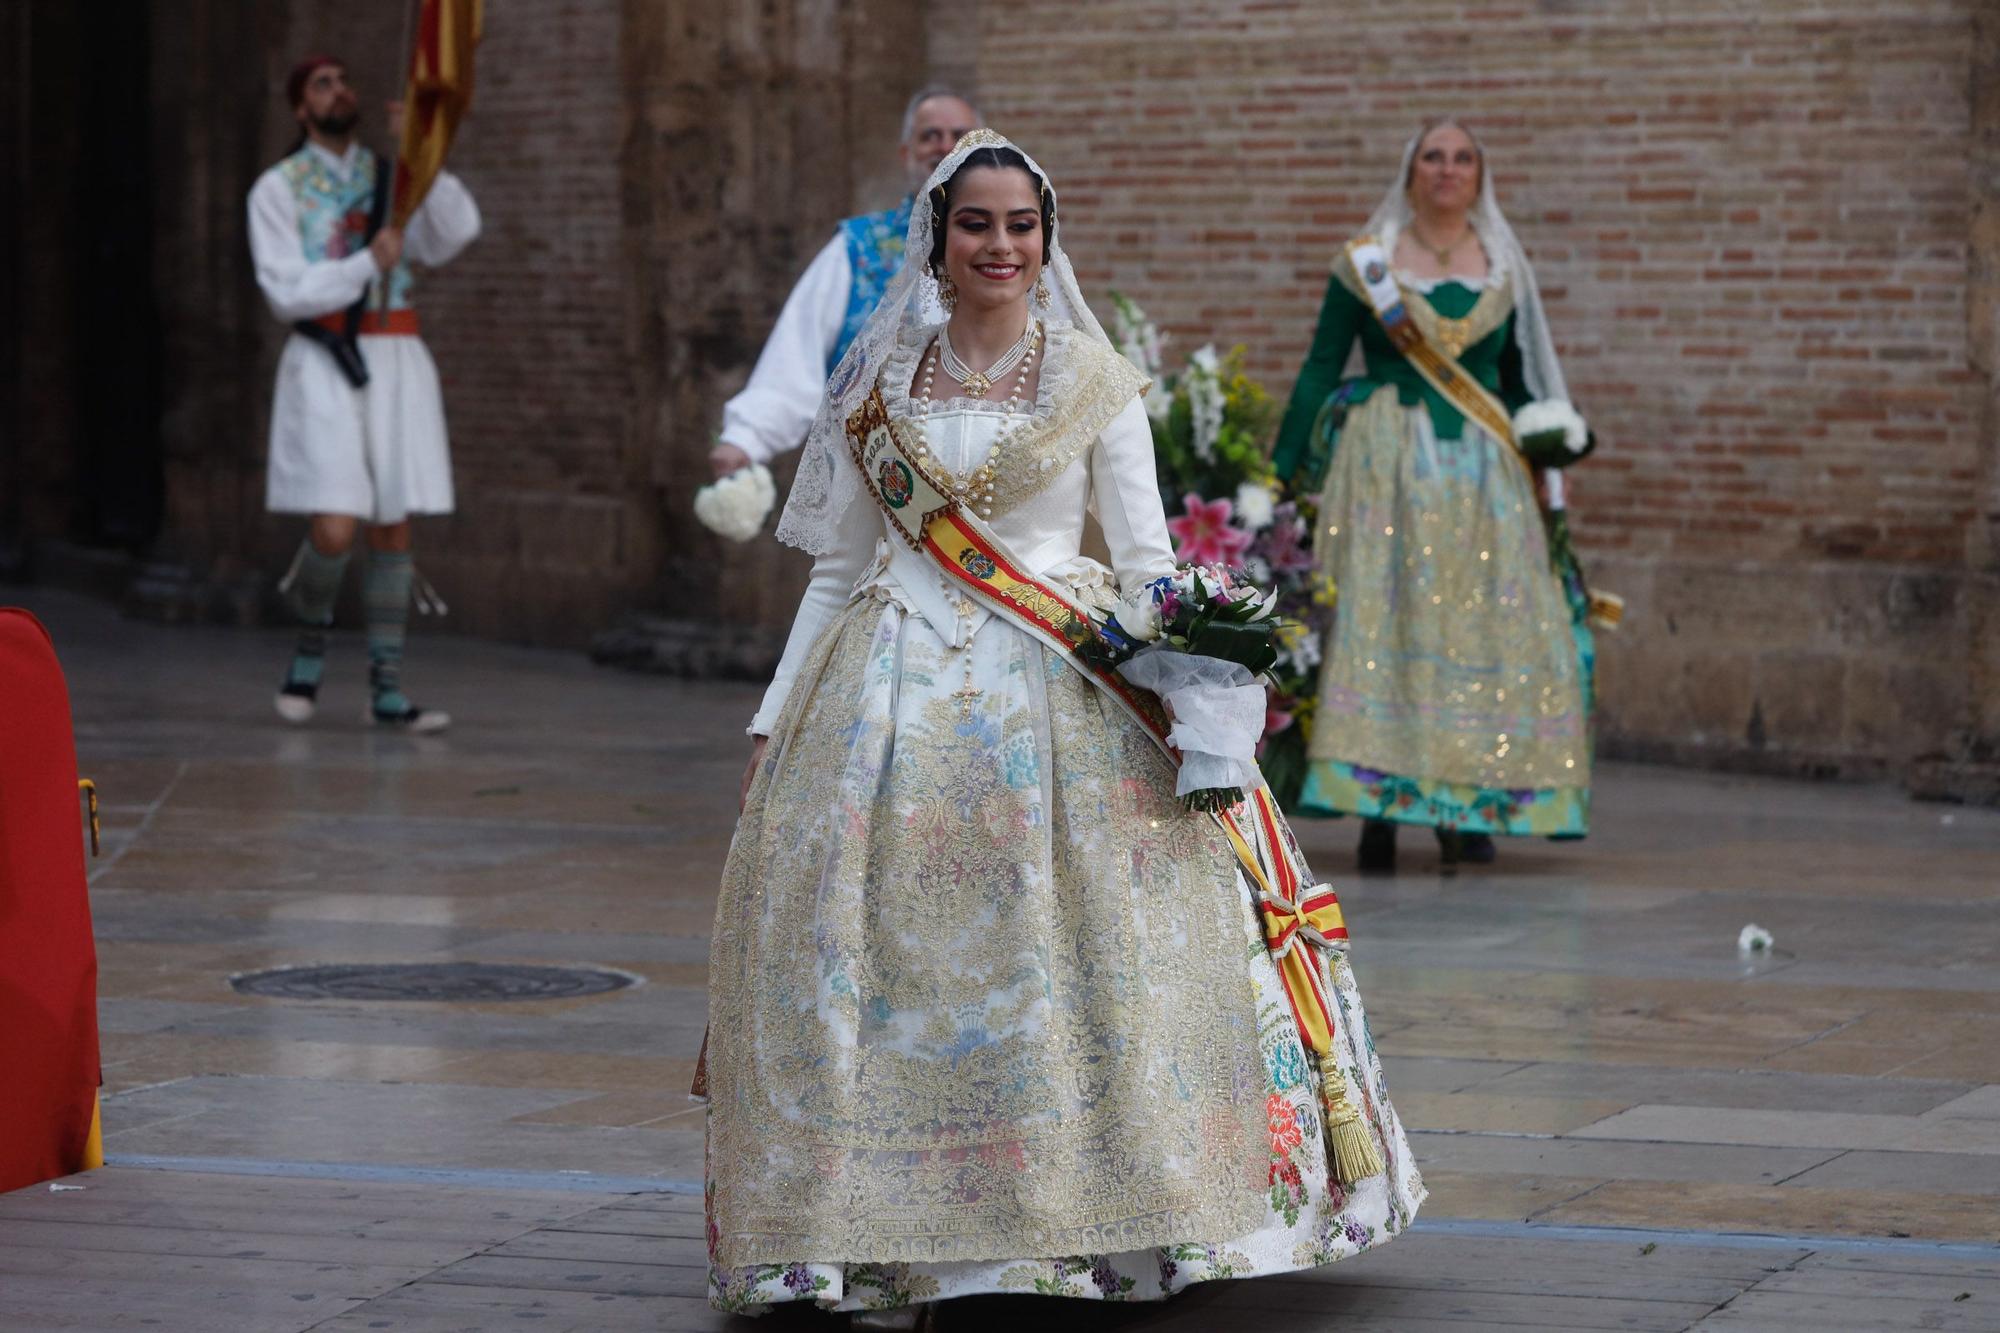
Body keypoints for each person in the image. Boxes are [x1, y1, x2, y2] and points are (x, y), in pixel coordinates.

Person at [702, 130, 1423, 1324]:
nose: (999, 245)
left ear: (1046, 240)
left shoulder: (1095, 381)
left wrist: (1201, 697)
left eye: (1020, 226)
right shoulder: (874, 389)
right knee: (866, 953)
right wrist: (774, 726)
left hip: (1059, 687)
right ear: (935, 241)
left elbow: (1145, 565)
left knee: (1077, 959)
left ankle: (1089, 1221)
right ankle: (870, 1233)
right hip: (880, 698)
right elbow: (836, 575)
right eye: (974, 224)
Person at [1271, 119, 1598, 873]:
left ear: (1481, 175)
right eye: (1433, 157)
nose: (1447, 170)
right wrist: (1279, 473)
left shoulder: (1504, 268)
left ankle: (1469, 805)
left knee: (1483, 627)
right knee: (1382, 621)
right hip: (1385, 467)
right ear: (1410, 171)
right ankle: (1379, 812)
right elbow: (1322, 367)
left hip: (1486, 477)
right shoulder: (1367, 265)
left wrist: (1549, 448)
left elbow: (1517, 384)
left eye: (1462, 158)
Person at [249, 54, 481, 732]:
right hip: (325, 357)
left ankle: (387, 687)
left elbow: (455, 233)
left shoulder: (392, 178)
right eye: (322, 84)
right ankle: (309, 647)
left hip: (397, 354)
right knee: (334, 522)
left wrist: (423, 152)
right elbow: (283, 289)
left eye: (345, 80)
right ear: (300, 108)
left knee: (392, 518)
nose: (339, 90)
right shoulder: (278, 187)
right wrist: (361, 264)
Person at [706, 88, 981, 481]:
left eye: (959, 135)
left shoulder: (1007, 254)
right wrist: (747, 437)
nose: (944, 145)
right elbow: (797, 349)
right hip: (871, 481)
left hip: (976, 482)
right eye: (929, 135)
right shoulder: (858, 248)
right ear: (906, 154)